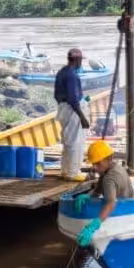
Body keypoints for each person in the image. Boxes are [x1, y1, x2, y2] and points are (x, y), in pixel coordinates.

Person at [76, 140, 134, 246]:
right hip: (132, 204)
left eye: (97, 163)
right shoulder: (112, 168)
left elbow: (111, 203)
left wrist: (95, 224)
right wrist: (88, 195)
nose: (94, 167)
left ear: (109, 159)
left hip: (123, 214)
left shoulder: (109, 179)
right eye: (93, 163)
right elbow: (98, 188)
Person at [55, 48, 90, 182]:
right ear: (76, 59)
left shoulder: (61, 72)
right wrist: (82, 117)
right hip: (72, 110)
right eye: (81, 59)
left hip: (63, 108)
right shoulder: (72, 76)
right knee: (76, 142)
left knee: (68, 141)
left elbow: (57, 95)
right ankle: (73, 172)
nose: (81, 62)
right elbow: (73, 99)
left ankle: (65, 170)